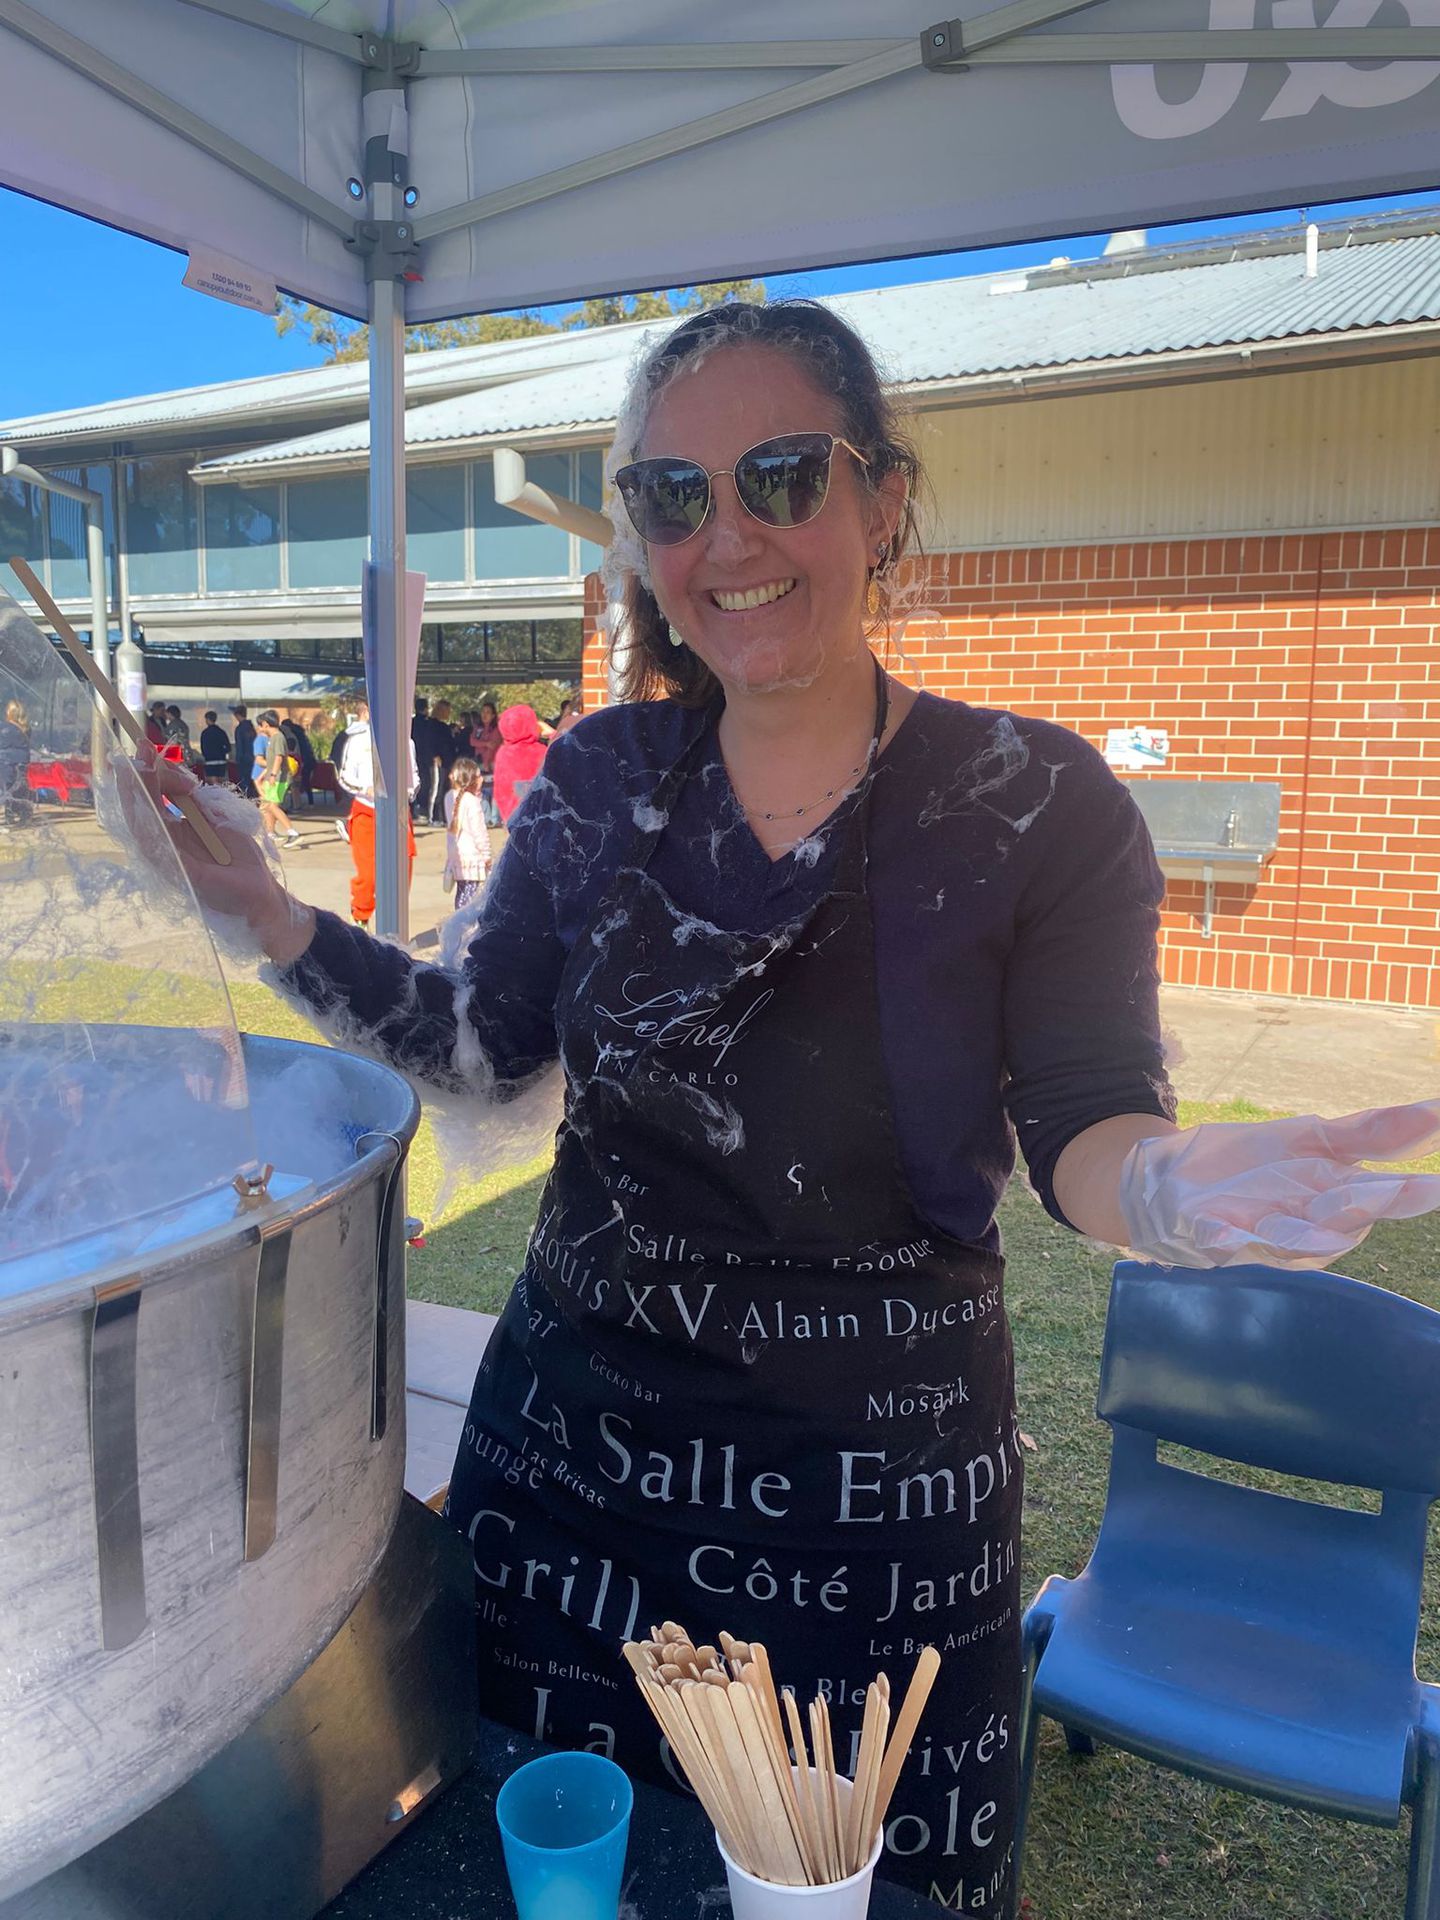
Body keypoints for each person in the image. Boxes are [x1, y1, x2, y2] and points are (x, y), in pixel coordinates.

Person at [135, 300, 1440, 1916]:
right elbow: (481, 1050)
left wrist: (1169, 1187)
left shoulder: (1034, 805)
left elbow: (1088, 1123)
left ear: (882, 498)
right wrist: (271, 914)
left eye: (780, 474)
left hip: (876, 1528)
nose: (727, 537)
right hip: (574, 1492)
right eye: (672, 495)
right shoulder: (602, 778)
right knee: (555, 1880)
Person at [335, 697, 421, 929]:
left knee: (402, 873)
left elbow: (414, 776)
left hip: (398, 812)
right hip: (367, 812)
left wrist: (407, 792)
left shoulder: (406, 742)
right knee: (369, 874)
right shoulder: (357, 741)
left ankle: (393, 927)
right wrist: (366, 789)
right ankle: (360, 917)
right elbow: (344, 776)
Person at [441, 756, 491, 909]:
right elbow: (479, 833)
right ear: (470, 780)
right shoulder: (472, 802)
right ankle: (465, 923)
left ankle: (459, 920)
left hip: (457, 857)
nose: (481, 779)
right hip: (473, 858)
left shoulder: (449, 797)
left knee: (462, 894)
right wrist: (487, 855)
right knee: (470, 900)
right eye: (478, 776)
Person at [252, 709, 300, 847]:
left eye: (260, 725)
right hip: (272, 777)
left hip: (279, 778)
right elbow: (271, 761)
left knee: (272, 806)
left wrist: (273, 775)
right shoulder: (272, 739)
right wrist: (262, 776)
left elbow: (278, 758)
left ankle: (292, 832)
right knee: (267, 805)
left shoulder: (278, 737)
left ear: (266, 724)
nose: (259, 728)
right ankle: (270, 833)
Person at [492, 704, 546, 825]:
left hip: (512, 816)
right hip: (539, 816)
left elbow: (500, 789)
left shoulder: (502, 754)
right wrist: (553, 734)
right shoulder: (542, 751)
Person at [0, 698, 32, 831]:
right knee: (16, 790)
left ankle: (10, 816)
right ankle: (22, 815)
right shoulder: (26, 729)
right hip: (21, 763)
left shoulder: (5, 728)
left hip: (5, 762)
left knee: (6, 789)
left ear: (9, 712)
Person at [470, 699, 502, 827]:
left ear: (493, 715)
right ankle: (486, 817)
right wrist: (485, 743)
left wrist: (487, 761)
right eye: (483, 712)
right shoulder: (478, 728)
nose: (484, 714)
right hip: (479, 763)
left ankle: (494, 818)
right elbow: (472, 741)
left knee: (494, 791)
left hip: (492, 763)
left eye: (488, 712)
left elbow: (492, 746)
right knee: (481, 790)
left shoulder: (496, 729)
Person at [429, 699, 459, 824]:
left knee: (445, 787)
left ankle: (443, 816)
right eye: (447, 710)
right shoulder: (432, 725)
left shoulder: (444, 726)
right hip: (439, 761)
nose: (449, 712)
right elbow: (430, 742)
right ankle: (434, 816)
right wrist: (435, 755)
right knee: (437, 788)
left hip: (448, 761)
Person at [230, 705, 256, 799]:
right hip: (253, 758)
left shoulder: (240, 729)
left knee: (243, 784)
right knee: (252, 783)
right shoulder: (251, 727)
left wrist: (237, 759)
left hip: (243, 760)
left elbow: (240, 746)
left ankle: (246, 801)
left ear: (237, 715)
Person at [198, 710, 231, 784]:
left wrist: (207, 755)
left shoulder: (205, 733)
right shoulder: (221, 732)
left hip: (210, 761)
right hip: (221, 761)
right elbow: (228, 747)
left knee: (212, 785)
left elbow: (203, 748)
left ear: (207, 719)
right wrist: (222, 753)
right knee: (222, 784)